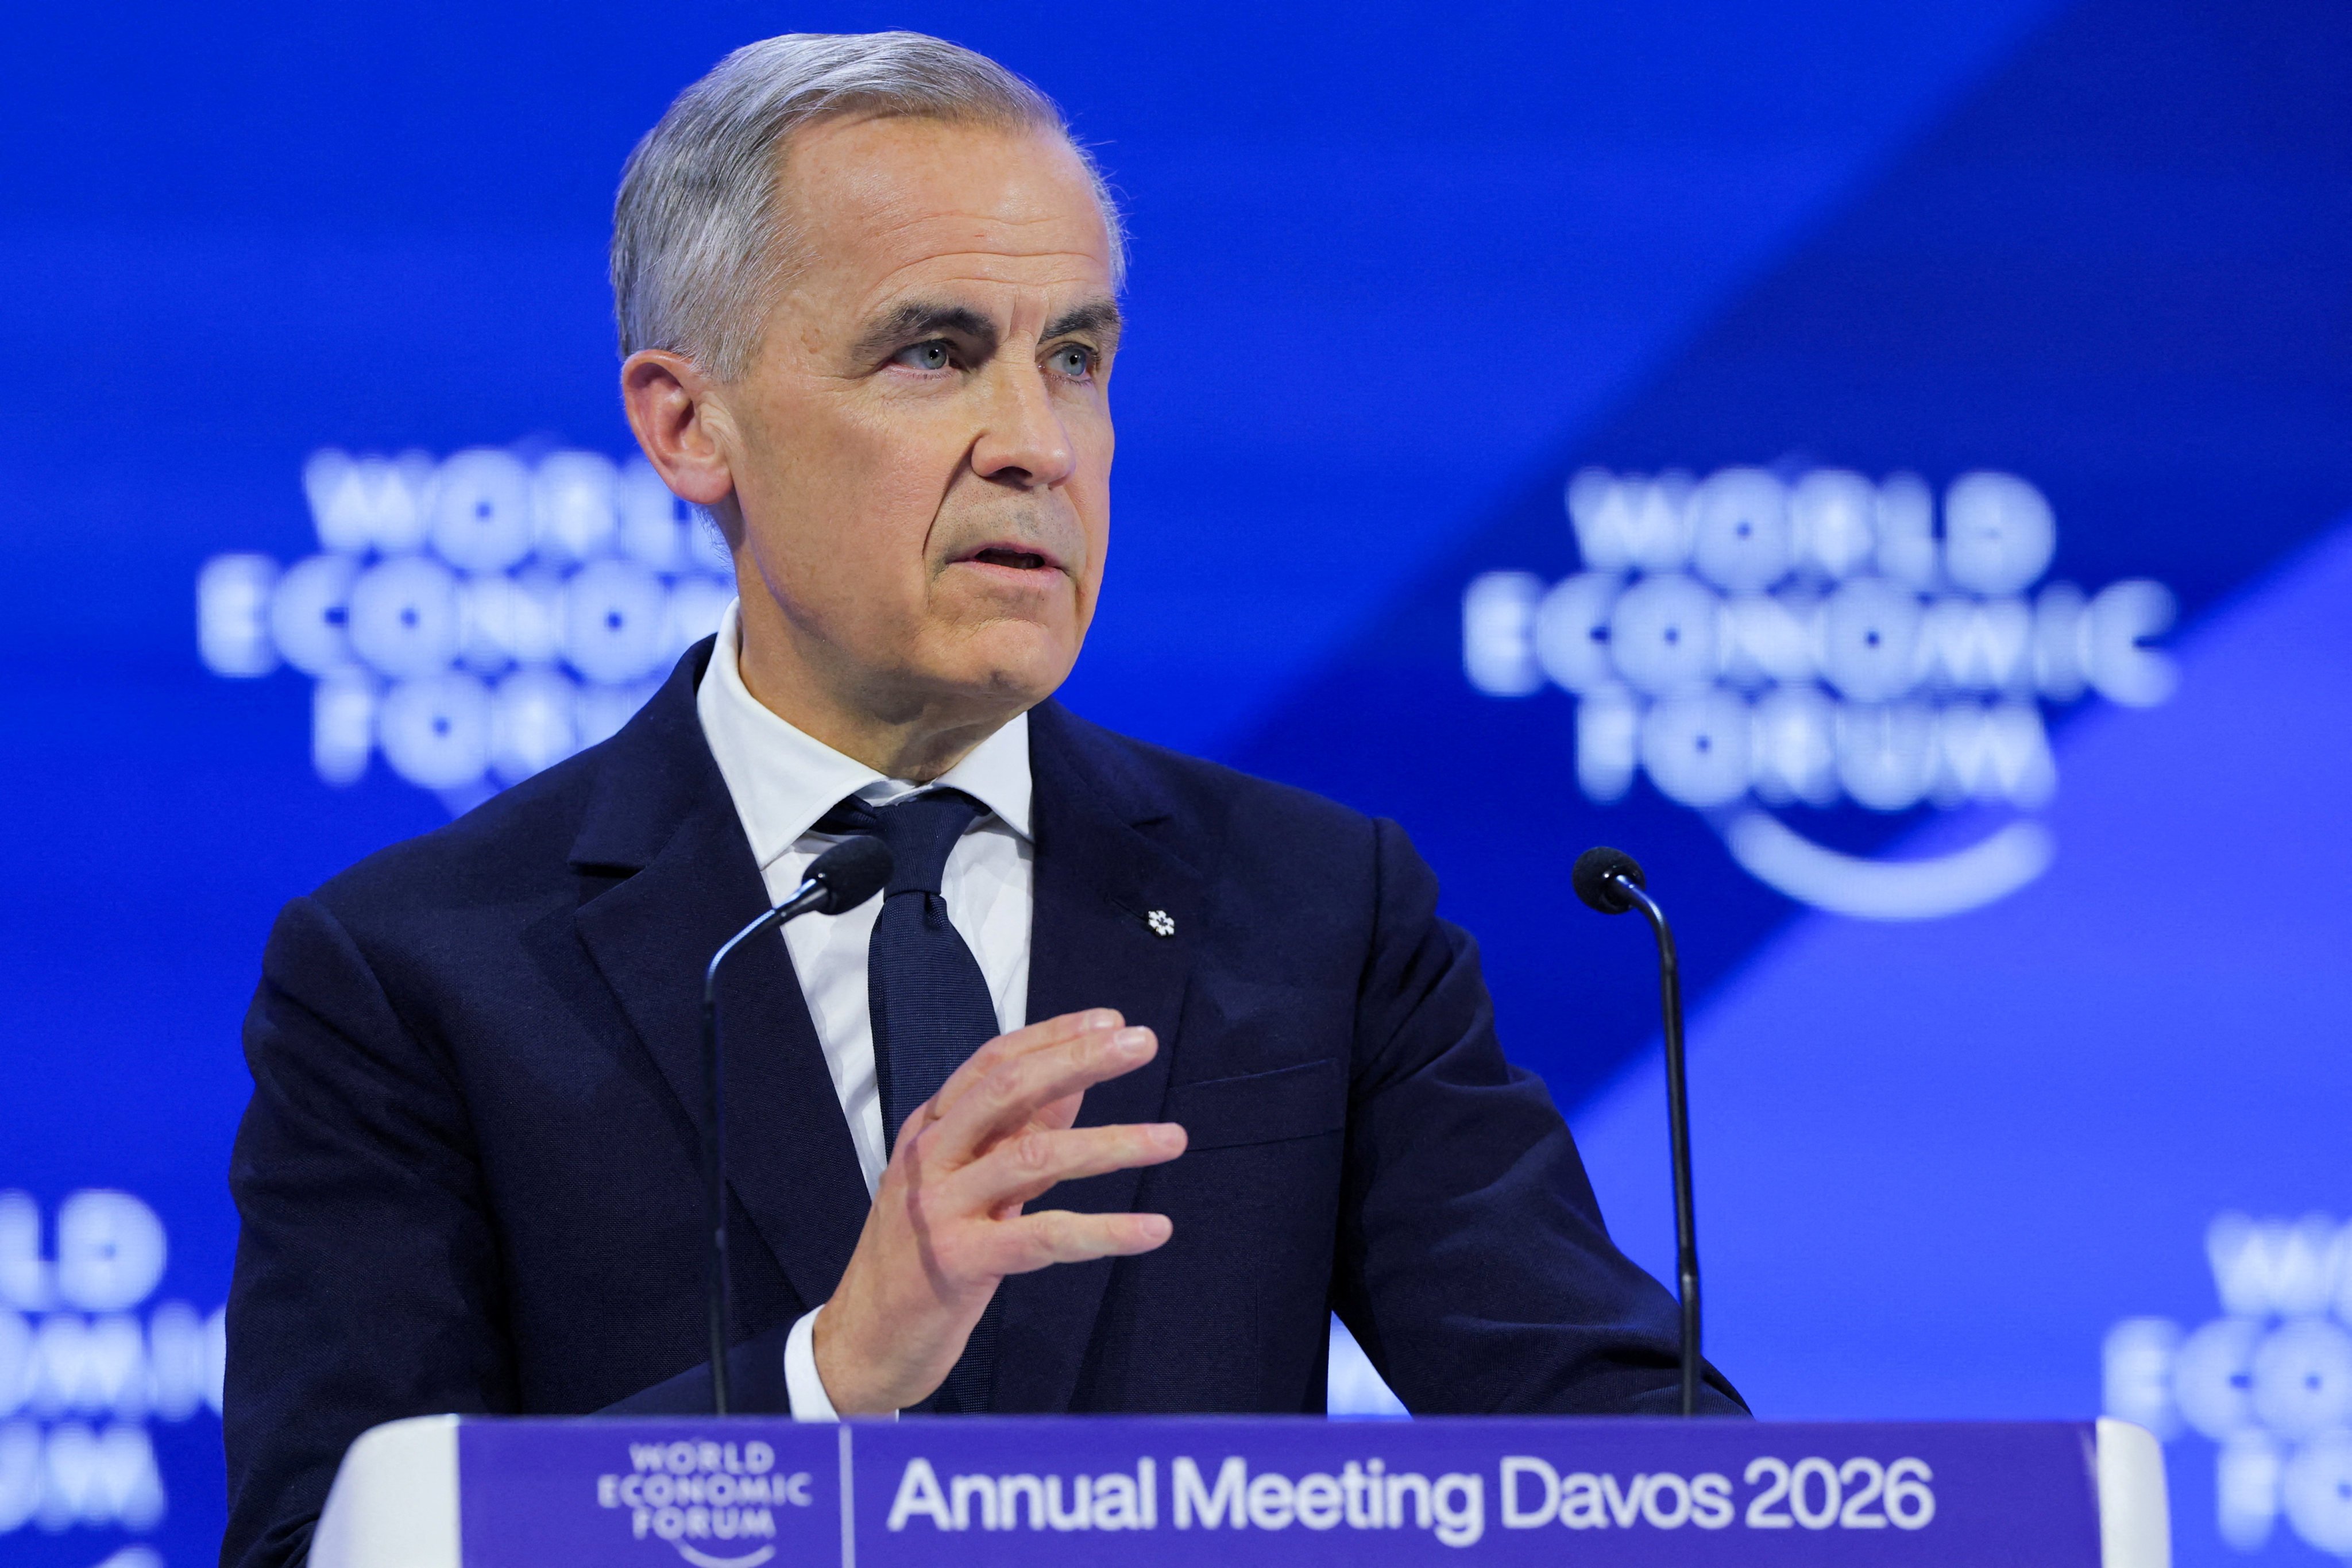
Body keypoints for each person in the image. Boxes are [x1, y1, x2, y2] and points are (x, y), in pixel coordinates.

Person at [221, 29, 1743, 1568]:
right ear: (690, 425)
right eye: (933, 352)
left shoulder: (1316, 912)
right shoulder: (420, 969)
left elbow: (1625, 1454)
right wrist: (828, 1379)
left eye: (1074, 357)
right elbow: (327, 1545)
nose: (1035, 444)